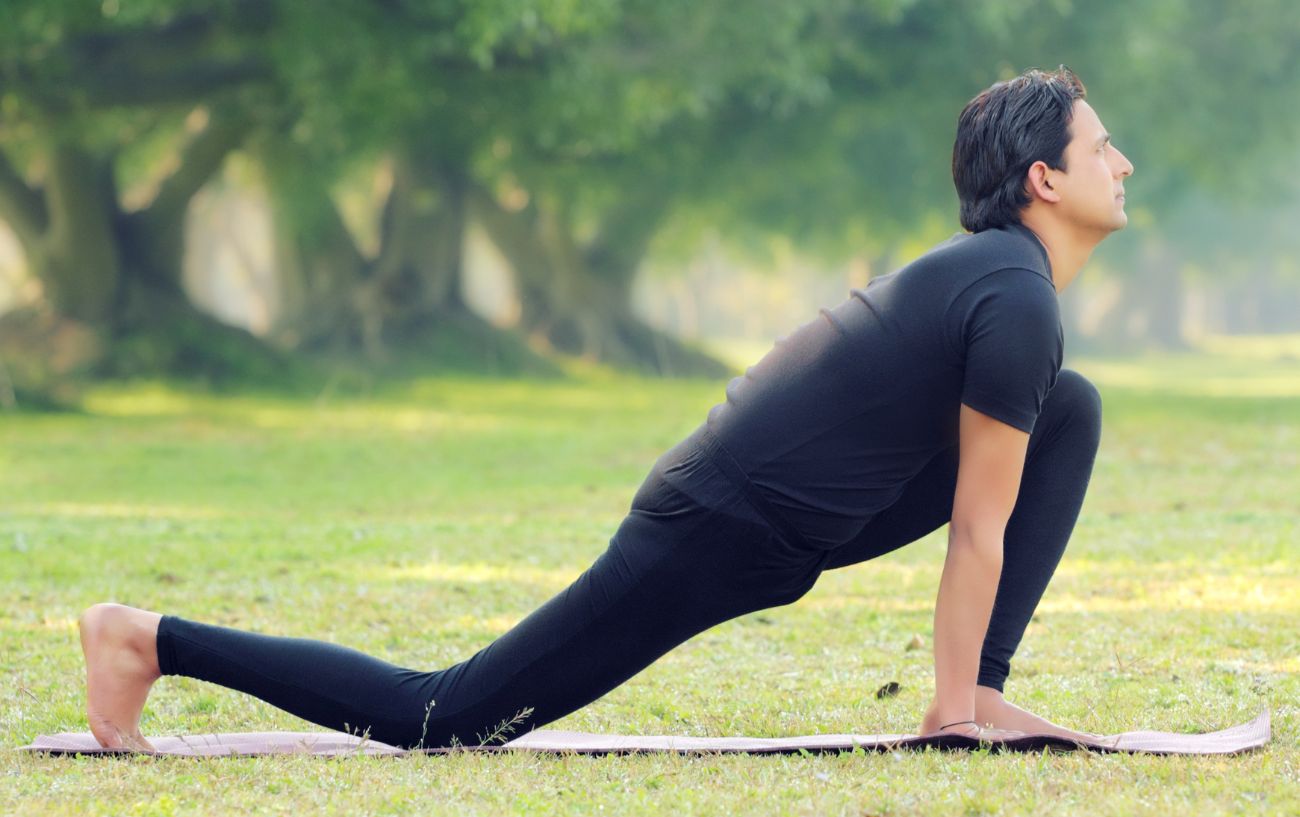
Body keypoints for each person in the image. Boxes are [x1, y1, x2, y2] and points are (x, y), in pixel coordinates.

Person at [79, 65, 1134, 752]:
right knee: (444, 715)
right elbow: (976, 531)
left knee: (1070, 413)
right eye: (1100, 149)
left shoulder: (1003, 286)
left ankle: (975, 692)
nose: (1121, 163)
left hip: (797, 529)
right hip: (717, 525)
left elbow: (979, 500)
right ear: (1042, 179)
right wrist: (952, 718)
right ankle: (147, 639)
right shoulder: (1011, 294)